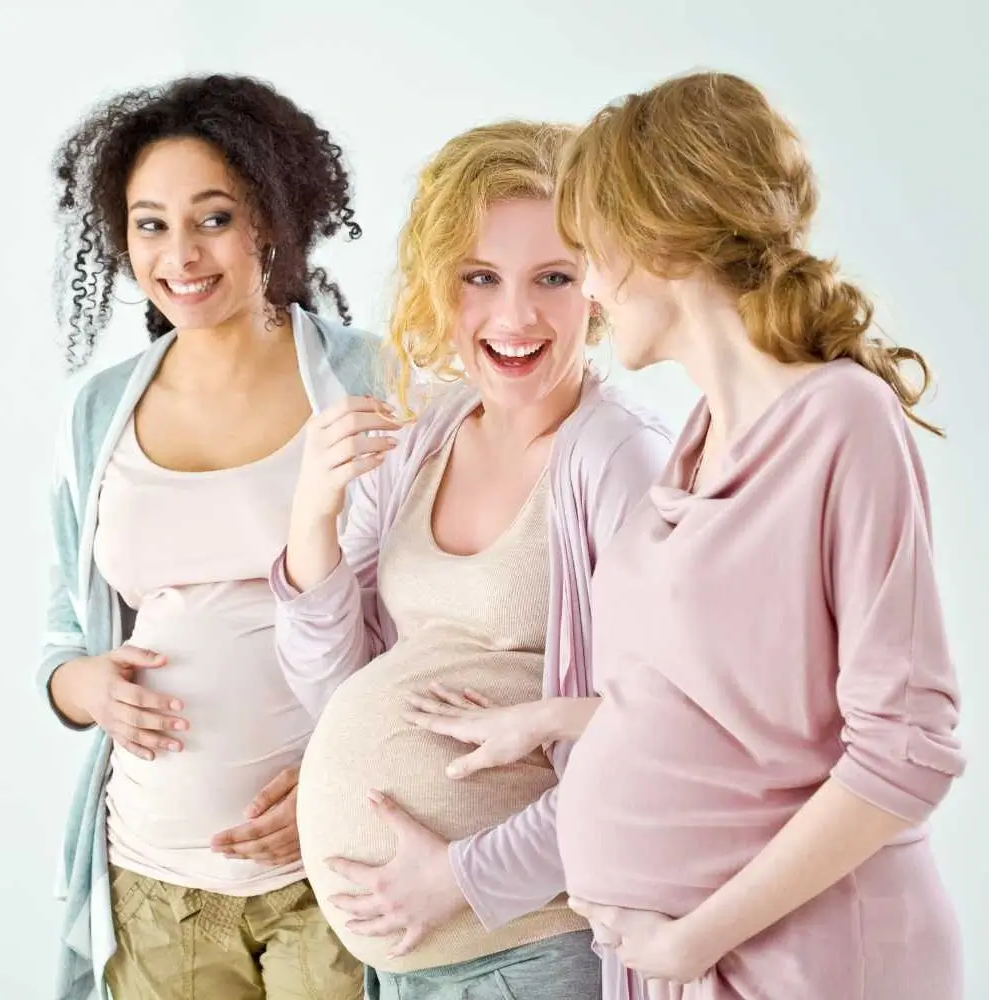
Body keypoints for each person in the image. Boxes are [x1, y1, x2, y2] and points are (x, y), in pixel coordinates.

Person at [405, 72, 965, 1000]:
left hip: (814, 963)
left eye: (586, 249)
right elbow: (744, 716)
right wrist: (555, 719)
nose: (583, 282)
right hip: (693, 965)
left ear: (658, 241)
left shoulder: (842, 422)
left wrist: (694, 937)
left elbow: (906, 752)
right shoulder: (702, 439)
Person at [271, 120, 674, 1000]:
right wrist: (313, 514)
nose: (516, 316)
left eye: (554, 279)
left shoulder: (618, 459)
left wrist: (465, 875)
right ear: (437, 287)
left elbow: (664, 739)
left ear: (599, 288)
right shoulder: (429, 432)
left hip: (532, 947)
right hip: (409, 962)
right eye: (480, 278)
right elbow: (332, 689)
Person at [41, 74, 376, 1000]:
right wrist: (84, 687)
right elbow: (60, 638)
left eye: (213, 217)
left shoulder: (364, 381)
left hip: (328, 869)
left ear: (268, 218)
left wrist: (338, 777)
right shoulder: (100, 412)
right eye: (151, 224)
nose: (180, 253)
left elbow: (424, 625)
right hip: (152, 883)